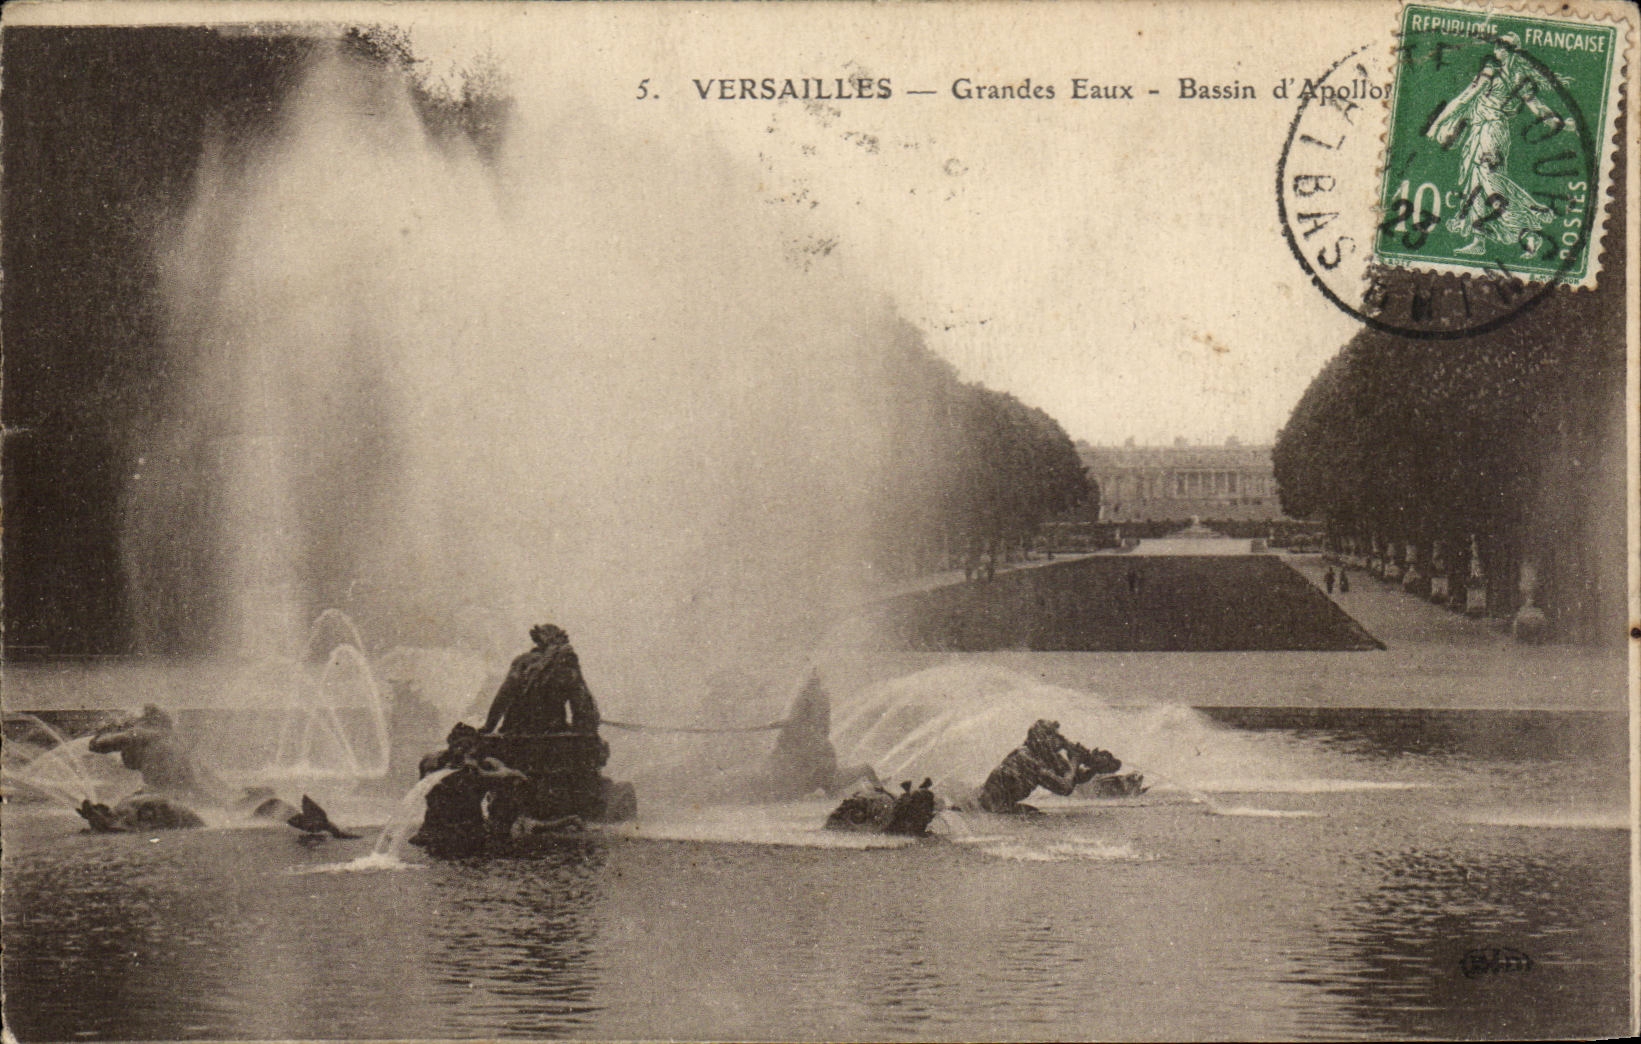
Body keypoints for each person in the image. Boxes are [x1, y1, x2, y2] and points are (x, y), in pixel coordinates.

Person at [1426, 33, 1565, 258]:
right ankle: (1481, 239)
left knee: (1489, 182)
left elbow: (1466, 98)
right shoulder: (1518, 76)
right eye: (1498, 46)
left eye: (1502, 46)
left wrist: (1437, 123)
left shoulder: (1492, 70)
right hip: (1490, 131)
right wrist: (1556, 122)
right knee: (1476, 184)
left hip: (1490, 132)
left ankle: (1528, 224)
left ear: (1511, 51)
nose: (1498, 50)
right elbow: (1537, 107)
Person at [411, 723, 526, 857]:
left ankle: (501, 827)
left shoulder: (486, 764)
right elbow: (425, 785)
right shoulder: (434, 761)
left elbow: (517, 776)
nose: (463, 751)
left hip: (471, 827)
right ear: (450, 744)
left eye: (468, 746)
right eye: (458, 745)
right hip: (437, 826)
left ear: (476, 746)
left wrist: (481, 773)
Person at [763, 669, 879, 800]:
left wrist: (774, 724)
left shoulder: (806, 696)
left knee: (827, 781)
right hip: (820, 746)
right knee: (828, 782)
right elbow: (805, 721)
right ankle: (865, 783)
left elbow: (795, 719)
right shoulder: (821, 696)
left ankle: (866, 778)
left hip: (815, 749)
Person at [87, 704, 229, 806]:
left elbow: (97, 745)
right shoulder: (173, 737)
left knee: (128, 806)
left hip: (161, 792)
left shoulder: (140, 733)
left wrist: (108, 730)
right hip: (188, 790)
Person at [481, 624, 601, 736]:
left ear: (538, 642)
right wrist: (583, 731)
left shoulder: (522, 661)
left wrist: (489, 726)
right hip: (551, 734)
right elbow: (582, 704)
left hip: (516, 732)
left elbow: (503, 697)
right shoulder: (567, 662)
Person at [975, 719, 1112, 814]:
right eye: (1055, 736)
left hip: (1001, 804)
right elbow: (1064, 788)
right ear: (1043, 740)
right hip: (988, 805)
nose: (1060, 740)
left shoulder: (1045, 755)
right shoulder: (1027, 758)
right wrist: (1075, 761)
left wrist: (1094, 768)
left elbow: (1075, 776)